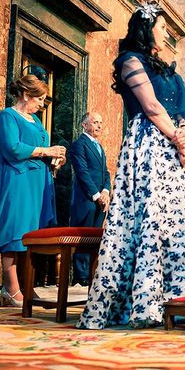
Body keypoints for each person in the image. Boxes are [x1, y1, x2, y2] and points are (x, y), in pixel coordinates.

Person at [78, 2, 185, 329]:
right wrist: (177, 136)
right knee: (145, 217)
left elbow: (184, 111)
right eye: (162, 28)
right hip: (148, 143)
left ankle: (176, 302)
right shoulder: (130, 61)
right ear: (146, 30)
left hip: (172, 147)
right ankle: (143, 305)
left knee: (170, 221)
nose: (166, 35)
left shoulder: (168, 69)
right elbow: (150, 105)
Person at [0, 74, 66, 306]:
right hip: (18, 182)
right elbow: (13, 148)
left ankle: (27, 285)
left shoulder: (36, 122)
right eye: (40, 99)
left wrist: (55, 159)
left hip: (38, 182)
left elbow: (41, 150)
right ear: (26, 95)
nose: (41, 104)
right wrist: (46, 152)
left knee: (31, 233)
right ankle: (11, 288)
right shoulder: (6, 116)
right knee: (15, 232)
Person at [68, 112, 111, 286]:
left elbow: (106, 172)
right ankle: (81, 277)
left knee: (95, 239)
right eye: (95, 122)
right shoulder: (79, 145)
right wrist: (96, 195)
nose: (99, 126)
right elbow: (82, 172)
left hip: (101, 200)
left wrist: (106, 191)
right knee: (83, 238)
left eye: (101, 122)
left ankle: (92, 274)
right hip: (86, 199)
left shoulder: (99, 147)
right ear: (84, 125)